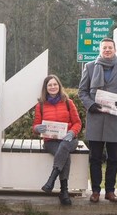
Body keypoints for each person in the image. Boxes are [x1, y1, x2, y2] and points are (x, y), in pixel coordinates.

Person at [78, 37, 117, 203]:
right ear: (100, 50)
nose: (107, 50)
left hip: (114, 120)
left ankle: (110, 191)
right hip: (95, 118)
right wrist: (90, 105)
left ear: (115, 49)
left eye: (110, 47)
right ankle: (95, 191)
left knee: (113, 159)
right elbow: (82, 91)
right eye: (104, 47)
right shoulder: (89, 67)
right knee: (95, 158)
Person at [31, 75, 83, 205]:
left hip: (70, 139)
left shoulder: (68, 102)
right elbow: (35, 126)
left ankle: (51, 180)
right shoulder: (40, 105)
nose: (53, 87)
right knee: (64, 153)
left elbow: (78, 123)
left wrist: (72, 132)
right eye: (50, 85)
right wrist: (37, 128)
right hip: (51, 142)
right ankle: (64, 191)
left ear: (59, 86)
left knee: (64, 145)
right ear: (46, 88)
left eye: (55, 84)